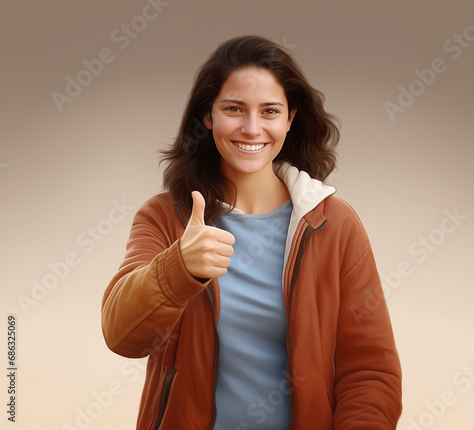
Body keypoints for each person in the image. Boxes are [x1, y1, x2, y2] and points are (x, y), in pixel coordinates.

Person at [101, 35, 403, 429]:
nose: (251, 127)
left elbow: (370, 372)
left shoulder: (335, 225)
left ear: (290, 118)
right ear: (208, 117)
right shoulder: (164, 217)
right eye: (234, 109)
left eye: (270, 111)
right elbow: (122, 336)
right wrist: (179, 269)